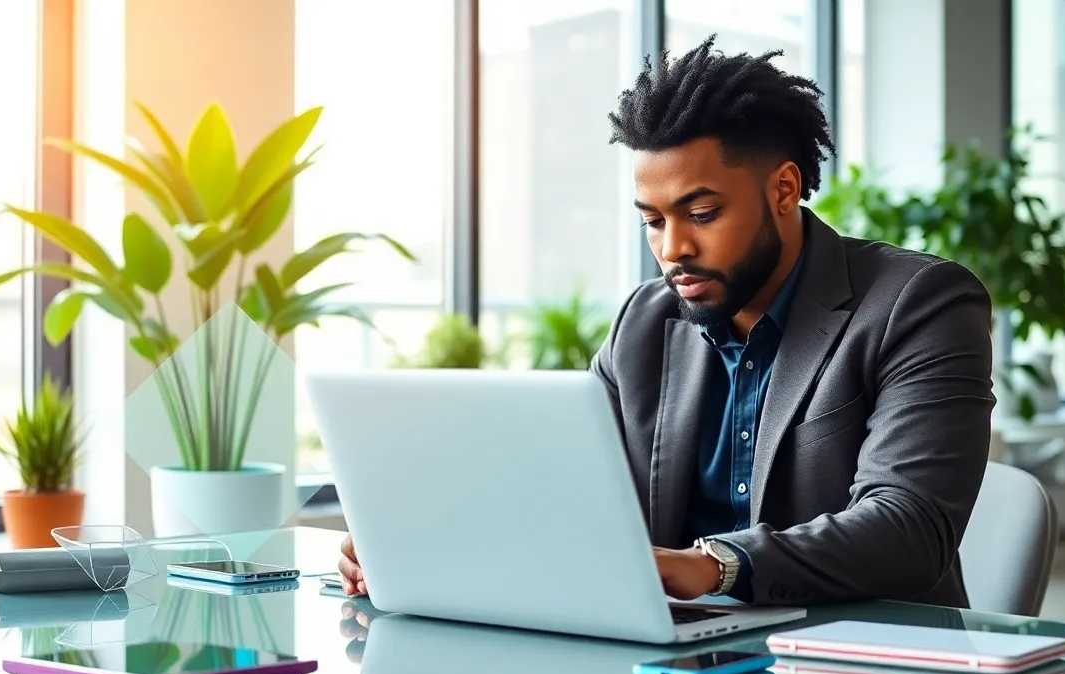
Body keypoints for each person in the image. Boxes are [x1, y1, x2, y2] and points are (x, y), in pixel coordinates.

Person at [338, 35, 995, 609]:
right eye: (653, 221)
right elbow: (560, 489)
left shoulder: (918, 303)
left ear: (784, 190)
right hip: (679, 668)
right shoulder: (644, 325)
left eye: (701, 214)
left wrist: (712, 566)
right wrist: (419, 538)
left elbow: (908, 529)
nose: (672, 248)